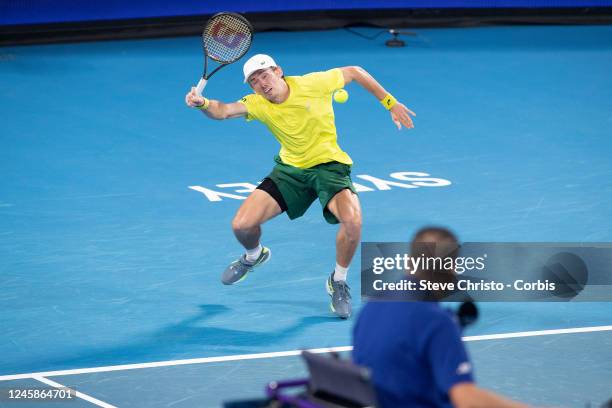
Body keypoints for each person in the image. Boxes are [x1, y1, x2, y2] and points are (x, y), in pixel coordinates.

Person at [185, 54, 416, 319]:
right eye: (254, 81)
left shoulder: (314, 84)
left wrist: (389, 102)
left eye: (265, 74)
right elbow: (223, 110)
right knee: (241, 225)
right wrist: (202, 103)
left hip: (329, 167)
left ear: (278, 71)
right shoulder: (258, 104)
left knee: (352, 223)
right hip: (290, 171)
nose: (262, 83)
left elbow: (354, 71)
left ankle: (338, 281)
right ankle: (253, 255)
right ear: (252, 88)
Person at [353, 227, 527, 407]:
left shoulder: (372, 305)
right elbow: (465, 399)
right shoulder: (438, 323)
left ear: (409, 262)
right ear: (452, 270)